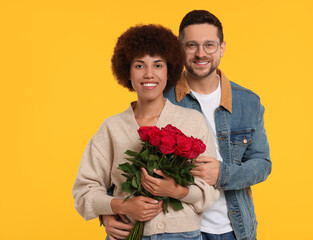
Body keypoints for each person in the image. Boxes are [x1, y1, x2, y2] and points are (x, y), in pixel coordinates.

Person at [102, 10, 272, 240]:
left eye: (209, 45)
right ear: (180, 50)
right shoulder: (161, 95)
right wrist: (110, 212)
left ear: (221, 48)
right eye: (191, 45)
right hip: (177, 229)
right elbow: (125, 158)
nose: (200, 53)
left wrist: (223, 174)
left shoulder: (248, 102)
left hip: (235, 227)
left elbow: (262, 164)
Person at [72, 24, 219, 240]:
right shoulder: (112, 127)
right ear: (127, 70)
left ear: (169, 70)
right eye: (139, 66)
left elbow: (208, 191)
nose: (149, 74)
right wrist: (120, 206)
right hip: (127, 234)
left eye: (158, 65)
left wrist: (176, 191)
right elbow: (84, 192)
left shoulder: (193, 122)